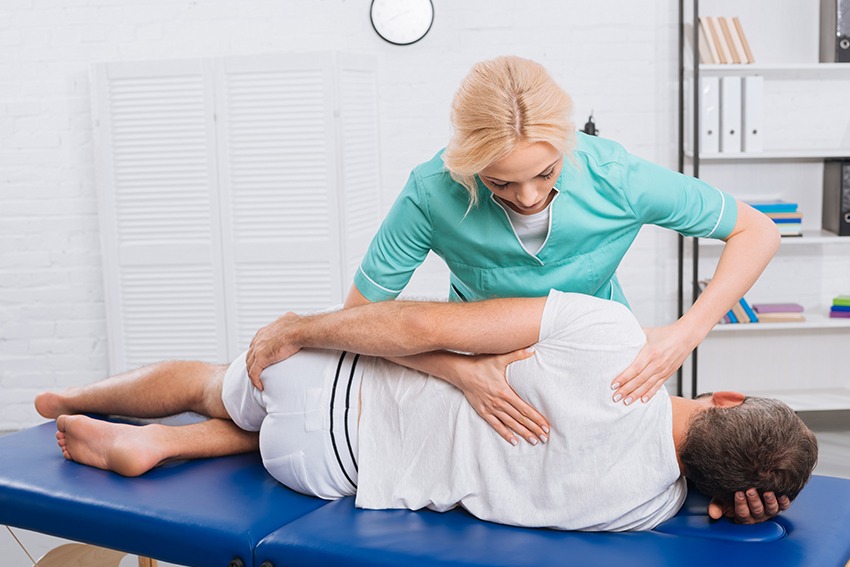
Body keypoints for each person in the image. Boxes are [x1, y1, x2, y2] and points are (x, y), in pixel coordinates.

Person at [245, 55, 781, 453]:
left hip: (595, 364)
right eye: (499, 182)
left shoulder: (616, 176)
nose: (527, 197)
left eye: (545, 174)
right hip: (483, 369)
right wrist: (459, 372)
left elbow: (756, 231)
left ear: (566, 145)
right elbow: (359, 319)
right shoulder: (432, 191)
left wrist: (684, 335)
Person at [35, 292, 815, 530]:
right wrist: (727, 504)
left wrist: (302, 328)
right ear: (720, 493)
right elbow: (697, 508)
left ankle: (71, 398)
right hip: (326, 471)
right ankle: (163, 447)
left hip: (321, 390)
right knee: (250, 427)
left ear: (725, 398)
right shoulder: (644, 511)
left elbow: (419, 325)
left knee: (208, 382)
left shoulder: (611, 334)